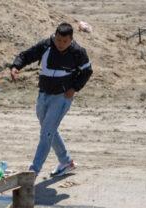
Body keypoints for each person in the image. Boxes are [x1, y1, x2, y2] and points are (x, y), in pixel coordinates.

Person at [10, 22, 93, 177]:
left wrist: (74, 88)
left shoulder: (78, 52)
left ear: (71, 40)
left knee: (46, 133)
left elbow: (87, 71)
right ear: (55, 36)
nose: (61, 44)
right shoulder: (46, 45)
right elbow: (27, 55)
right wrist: (16, 66)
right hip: (43, 94)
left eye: (65, 41)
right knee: (48, 129)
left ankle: (33, 171)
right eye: (58, 40)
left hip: (62, 97)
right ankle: (66, 161)